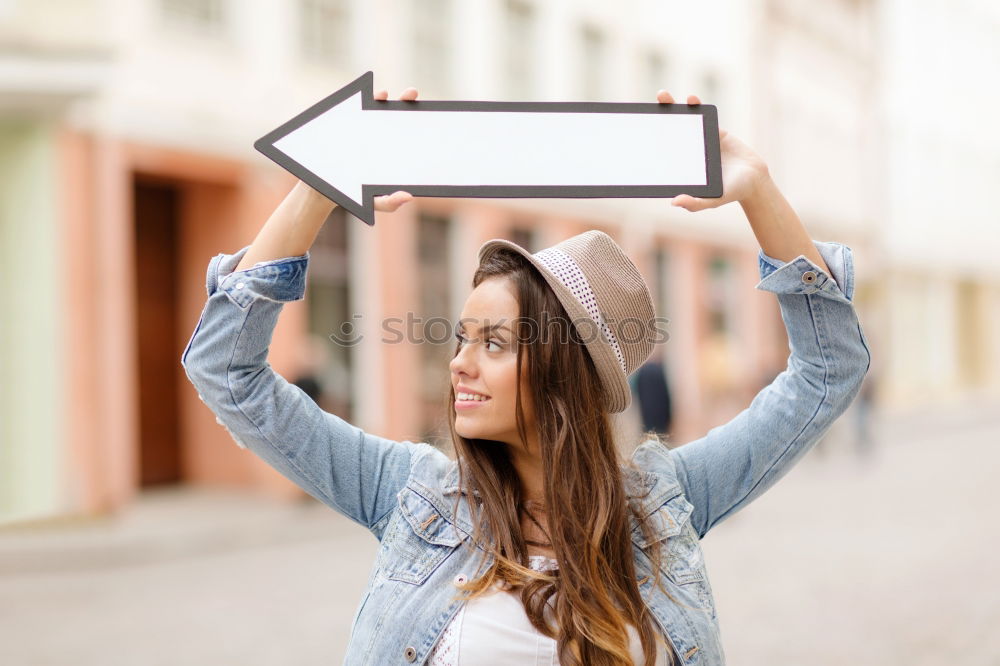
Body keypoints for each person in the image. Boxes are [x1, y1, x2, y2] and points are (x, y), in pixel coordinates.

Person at [180, 85, 871, 666]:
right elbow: (227, 372)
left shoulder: (666, 505)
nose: (459, 362)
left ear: (560, 374)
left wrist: (758, 193)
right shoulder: (411, 496)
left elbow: (827, 372)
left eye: (494, 342)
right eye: (460, 338)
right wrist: (315, 189)